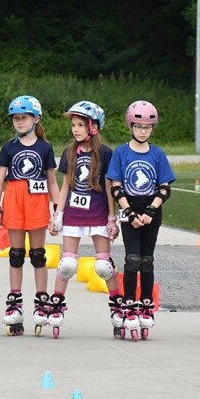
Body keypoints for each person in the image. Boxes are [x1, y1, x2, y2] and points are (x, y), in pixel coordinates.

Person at [0, 95, 59, 336]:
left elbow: (52, 182)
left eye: (24, 118)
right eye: (16, 118)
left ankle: (41, 301)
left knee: (38, 255)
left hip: (37, 203)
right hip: (14, 200)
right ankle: (15, 303)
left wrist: (58, 210)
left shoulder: (45, 148)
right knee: (16, 255)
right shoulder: (9, 147)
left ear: (36, 119)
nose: (19, 122)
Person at [46, 101, 118, 338]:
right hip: (74, 215)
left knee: (104, 266)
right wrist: (58, 214)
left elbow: (109, 188)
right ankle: (56, 305)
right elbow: (66, 185)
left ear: (93, 127)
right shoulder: (70, 151)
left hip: (98, 213)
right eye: (73, 125)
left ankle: (118, 306)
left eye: (80, 125)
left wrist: (112, 218)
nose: (75, 129)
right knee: (67, 264)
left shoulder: (105, 153)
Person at [106, 101, 175, 341]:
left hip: (151, 213)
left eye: (147, 127)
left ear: (152, 128)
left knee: (147, 261)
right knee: (132, 259)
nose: (143, 131)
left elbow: (164, 188)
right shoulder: (121, 153)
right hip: (130, 212)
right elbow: (116, 188)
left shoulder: (157, 154)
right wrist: (131, 213)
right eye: (138, 127)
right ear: (130, 126)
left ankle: (145, 304)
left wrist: (150, 211)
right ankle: (128, 304)